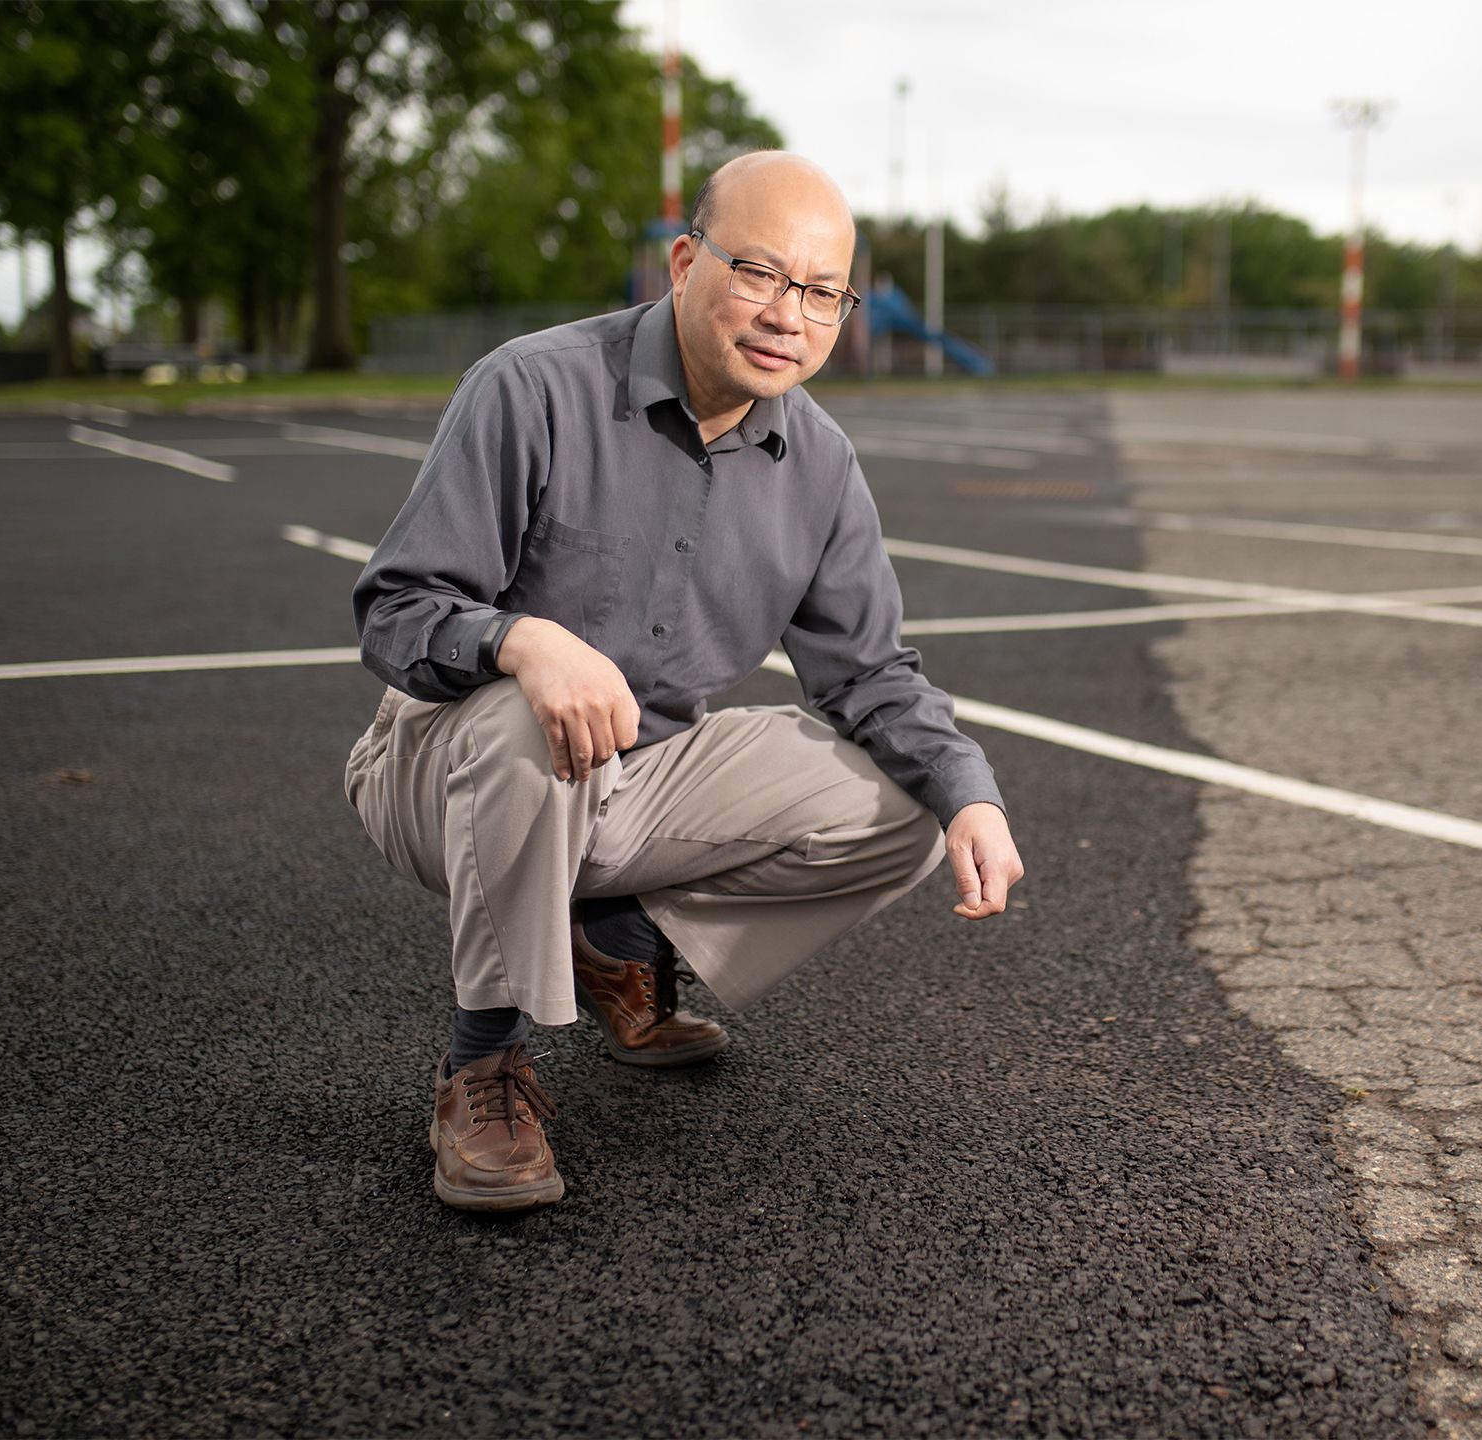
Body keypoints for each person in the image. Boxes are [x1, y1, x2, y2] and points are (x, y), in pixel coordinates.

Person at [342, 151, 1024, 1213]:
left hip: (635, 777)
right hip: (441, 765)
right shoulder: (534, 388)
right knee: (538, 716)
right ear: (682, 262)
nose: (786, 315)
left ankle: (618, 945)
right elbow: (394, 611)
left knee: (905, 802)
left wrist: (969, 794)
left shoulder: (823, 467)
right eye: (756, 272)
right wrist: (523, 640)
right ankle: (483, 1064)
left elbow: (873, 674)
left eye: (819, 292)